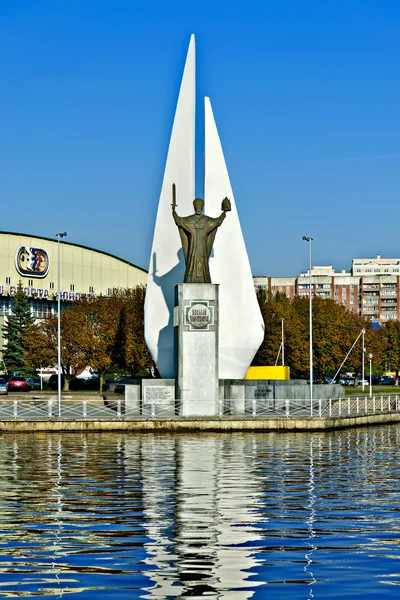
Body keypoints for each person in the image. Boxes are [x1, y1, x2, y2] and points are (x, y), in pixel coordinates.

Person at [172, 197, 231, 283]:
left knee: (194, 263)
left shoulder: (189, 220)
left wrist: (173, 211)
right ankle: (200, 279)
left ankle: (191, 279)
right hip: (201, 249)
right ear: (202, 208)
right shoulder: (207, 221)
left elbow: (178, 221)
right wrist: (224, 212)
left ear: (194, 207)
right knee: (202, 263)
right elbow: (218, 222)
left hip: (194, 248)